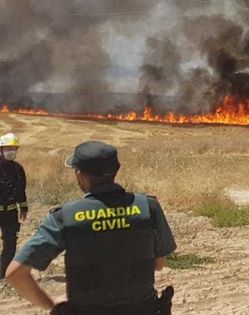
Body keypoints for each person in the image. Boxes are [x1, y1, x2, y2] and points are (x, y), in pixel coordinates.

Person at [5, 141, 176, 315]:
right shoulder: (148, 207)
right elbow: (159, 264)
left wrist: (52, 304)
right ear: (116, 170)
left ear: (80, 174)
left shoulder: (65, 217)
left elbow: (15, 274)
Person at [0, 133, 28, 276]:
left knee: (10, 245)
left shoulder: (18, 169)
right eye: (8, 148)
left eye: (14, 148)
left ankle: (3, 273)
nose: (12, 151)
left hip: (10, 213)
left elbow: (21, 190)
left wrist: (23, 207)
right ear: (1, 149)